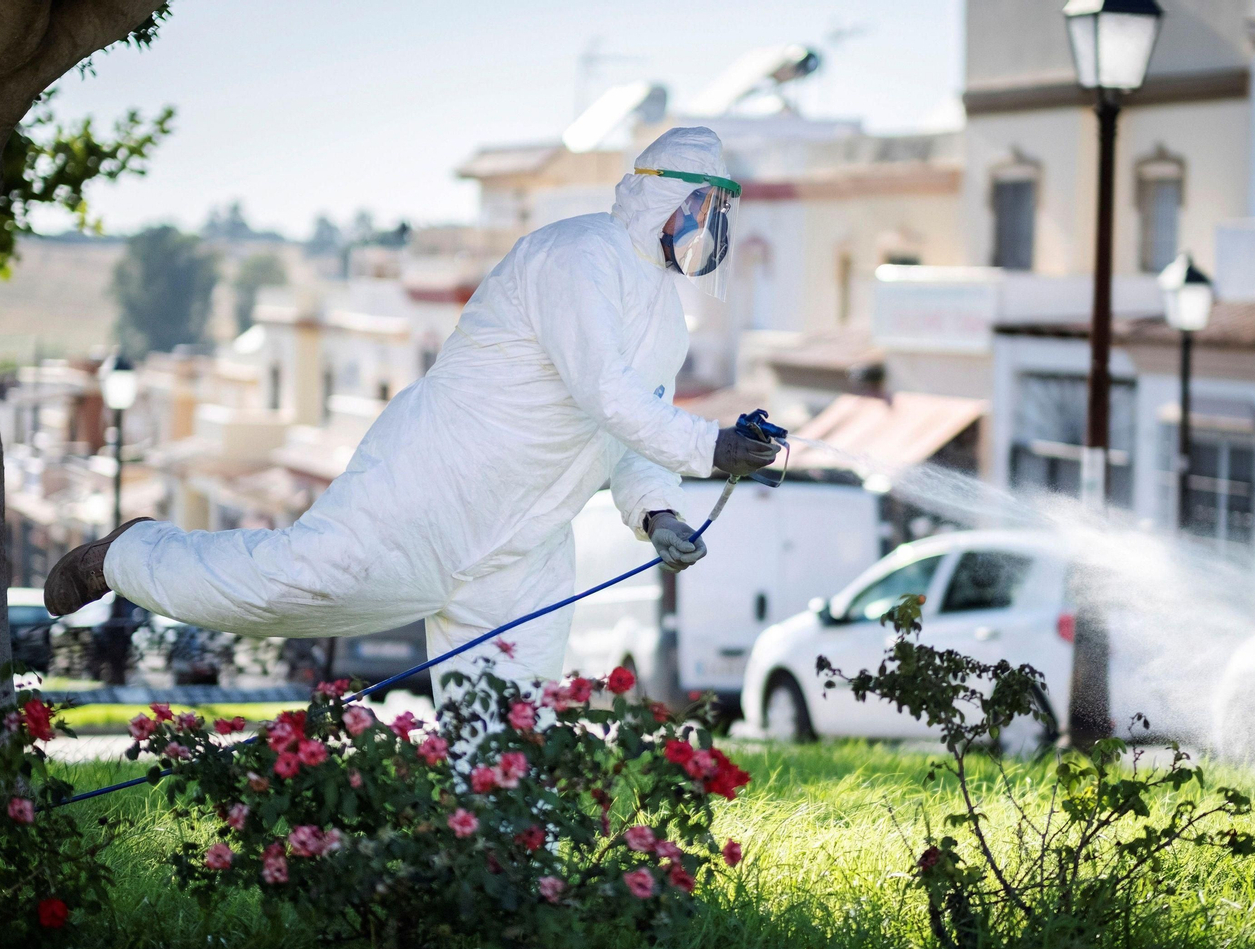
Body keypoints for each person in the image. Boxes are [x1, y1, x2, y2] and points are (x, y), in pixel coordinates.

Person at [44, 127, 779, 696]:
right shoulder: (578, 254)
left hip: (523, 546)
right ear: (665, 198)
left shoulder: (667, 320)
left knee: (509, 732)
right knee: (289, 590)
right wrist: (713, 447)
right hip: (428, 493)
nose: (712, 227)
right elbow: (603, 391)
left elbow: (628, 432)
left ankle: (513, 878)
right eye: (706, 207)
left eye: (720, 212)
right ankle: (127, 556)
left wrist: (658, 514)